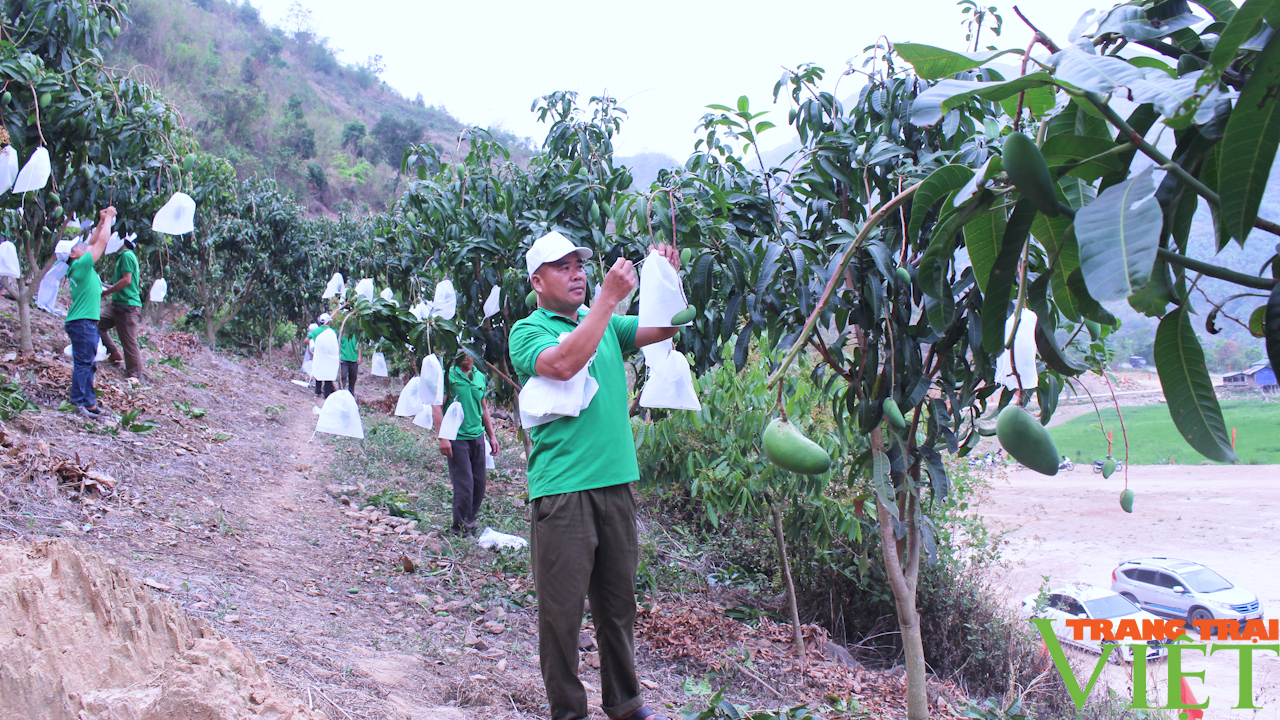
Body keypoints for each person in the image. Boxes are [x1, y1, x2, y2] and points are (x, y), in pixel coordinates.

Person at [508, 231, 681, 720]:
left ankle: (626, 706)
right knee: (561, 617)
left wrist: (665, 277)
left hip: (615, 485)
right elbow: (563, 364)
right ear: (538, 281)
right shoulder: (529, 330)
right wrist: (607, 298)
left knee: (617, 607)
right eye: (562, 267)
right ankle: (568, 712)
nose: (577, 272)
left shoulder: (602, 322)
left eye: (579, 264)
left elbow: (662, 330)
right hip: (563, 492)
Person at [432, 352, 499, 537]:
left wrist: (491, 435)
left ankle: (469, 522)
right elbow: (437, 406)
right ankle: (459, 529)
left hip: (477, 436)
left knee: (479, 484)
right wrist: (443, 437)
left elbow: (483, 407)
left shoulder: (479, 376)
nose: (465, 357)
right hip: (456, 437)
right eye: (460, 353)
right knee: (464, 485)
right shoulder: (449, 375)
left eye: (469, 353)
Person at [65, 207, 117, 419]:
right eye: (77, 247)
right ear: (72, 254)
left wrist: (101, 220)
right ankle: (77, 402)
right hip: (82, 322)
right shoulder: (81, 265)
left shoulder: (80, 266)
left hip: (84, 322)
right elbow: (101, 243)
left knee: (89, 363)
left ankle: (89, 402)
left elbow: (92, 241)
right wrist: (110, 219)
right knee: (84, 363)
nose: (82, 246)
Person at [100, 234, 143, 379]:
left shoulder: (126, 256)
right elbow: (122, 282)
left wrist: (106, 292)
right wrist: (105, 286)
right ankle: (113, 353)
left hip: (127, 306)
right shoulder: (123, 256)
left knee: (129, 341)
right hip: (118, 304)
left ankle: (134, 375)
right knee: (96, 322)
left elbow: (126, 281)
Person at [308, 313, 336, 398]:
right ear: (328, 322)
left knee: (318, 372)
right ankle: (327, 394)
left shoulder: (316, 331)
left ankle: (317, 391)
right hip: (328, 356)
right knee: (328, 374)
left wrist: (313, 350)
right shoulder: (331, 332)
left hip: (319, 355)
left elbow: (307, 339)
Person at [339, 325, 361, 397]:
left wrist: (359, 357)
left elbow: (359, 346)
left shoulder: (356, 335)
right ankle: (341, 392)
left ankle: (351, 393)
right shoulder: (341, 334)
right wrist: (338, 356)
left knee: (353, 377)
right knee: (343, 375)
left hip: (354, 359)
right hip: (343, 358)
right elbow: (337, 345)